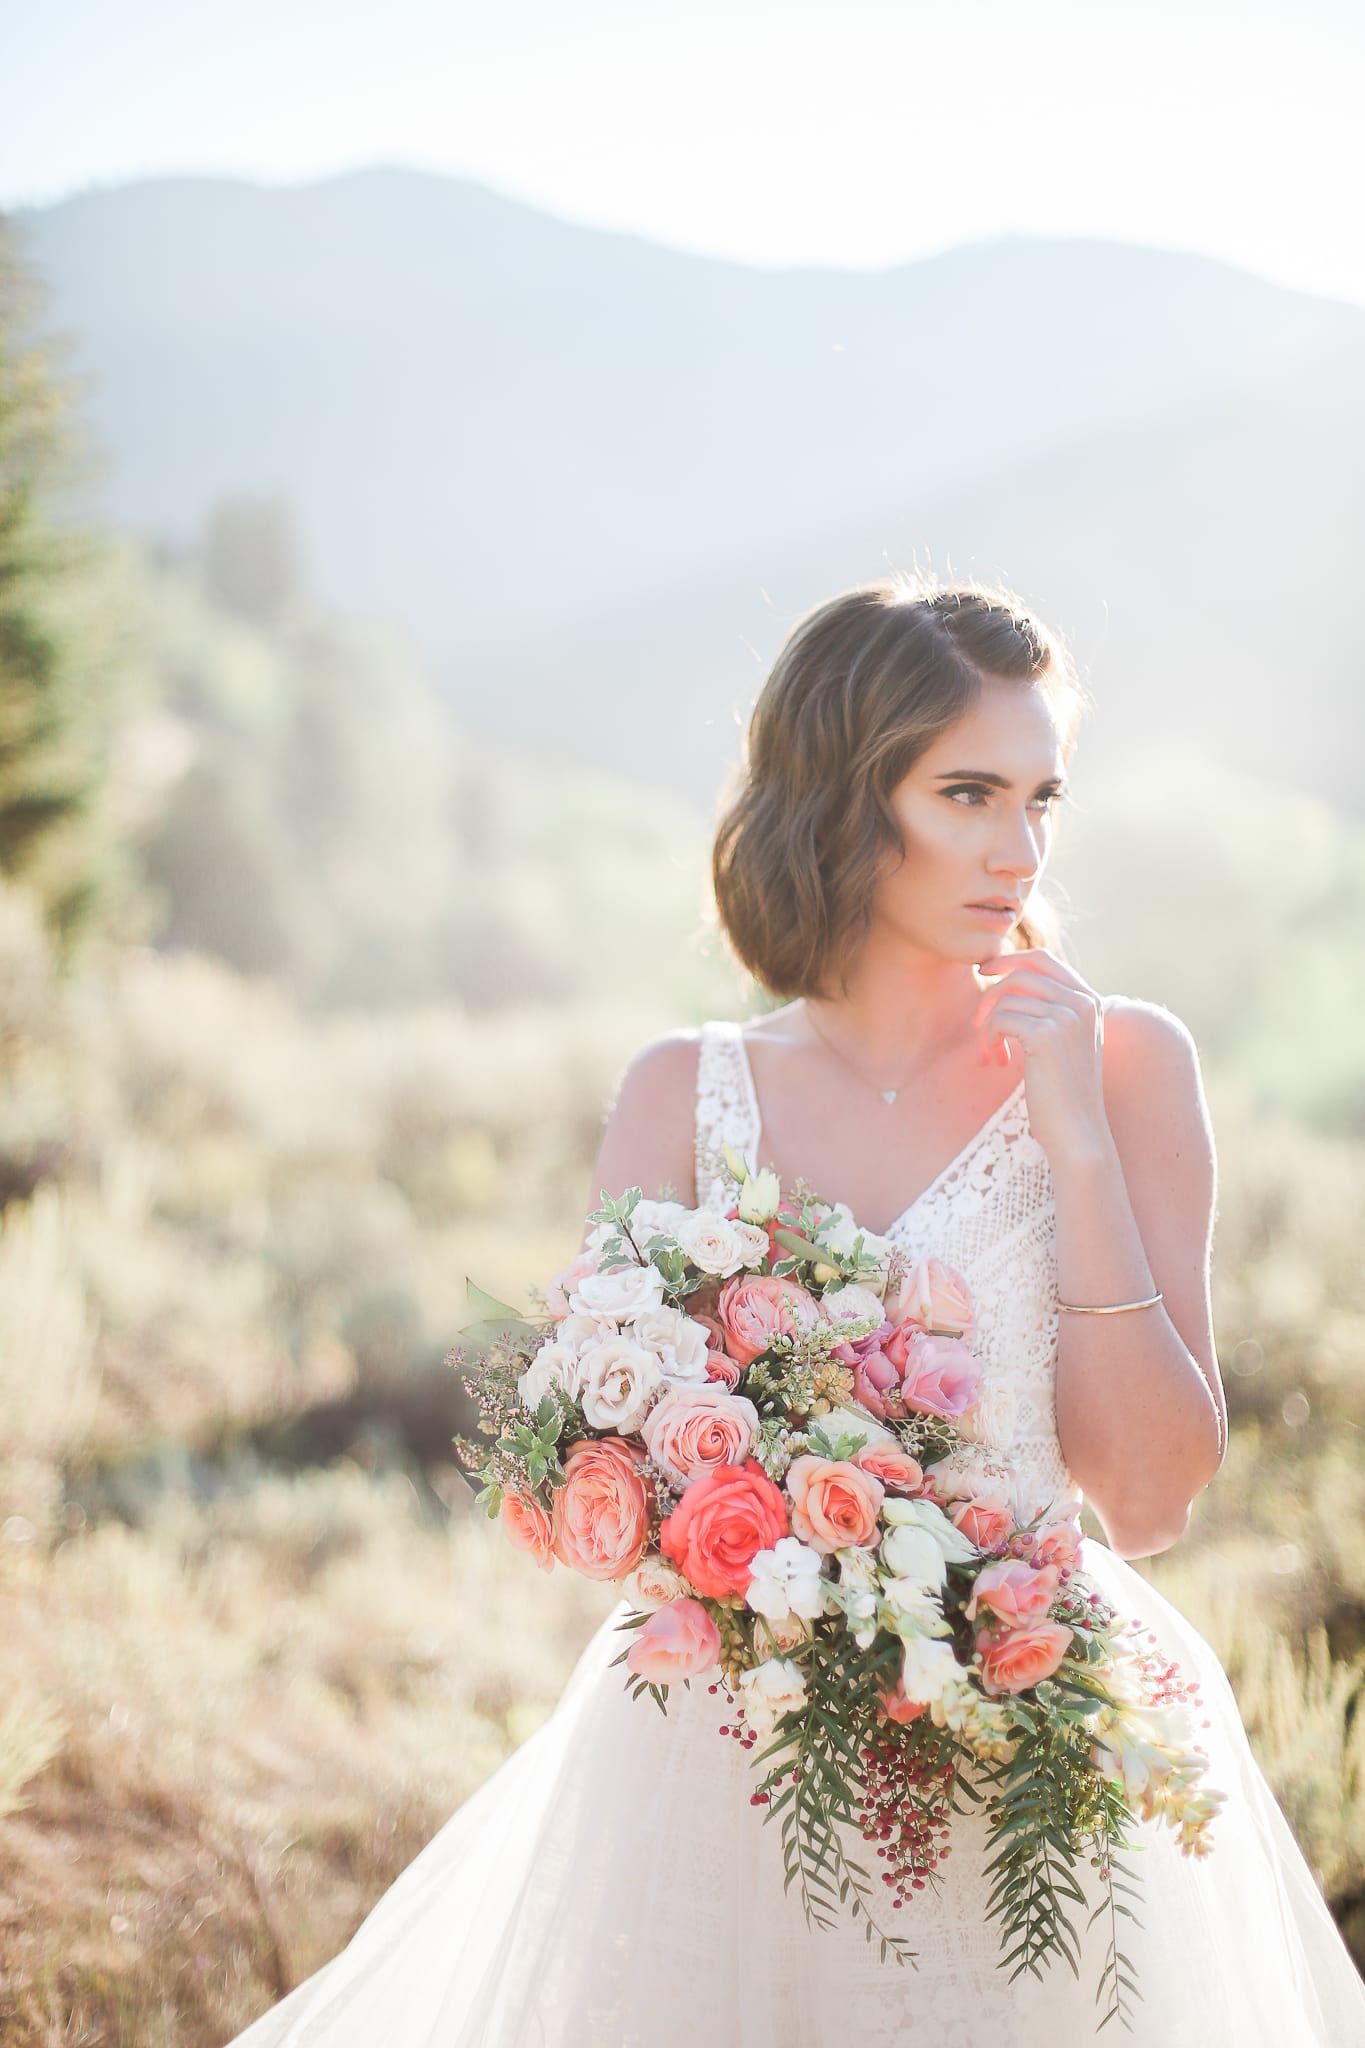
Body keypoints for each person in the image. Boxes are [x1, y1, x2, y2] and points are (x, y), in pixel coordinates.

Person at [226, 578, 1365, 2046]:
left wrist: (1074, 1144)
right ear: (840, 794)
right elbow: (606, 1493)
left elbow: (1143, 1499)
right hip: (743, 1765)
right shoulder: (678, 1095)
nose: (1015, 849)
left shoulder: (1125, 1065)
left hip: (1039, 1753)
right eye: (965, 793)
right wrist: (787, 1569)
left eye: (1039, 799)